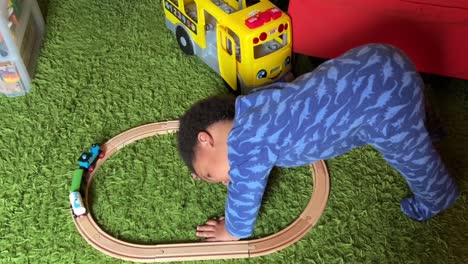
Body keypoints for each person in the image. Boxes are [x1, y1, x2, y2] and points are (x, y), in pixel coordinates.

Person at [176, 44, 460, 242]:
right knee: (412, 106)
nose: (221, 179)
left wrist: (232, 230)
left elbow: (245, 198)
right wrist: (227, 170)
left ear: (206, 140)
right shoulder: (251, 104)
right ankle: (430, 127)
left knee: (408, 151)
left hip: (377, 101)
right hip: (379, 57)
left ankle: (438, 196)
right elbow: (284, 88)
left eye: (210, 174)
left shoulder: (245, 144)